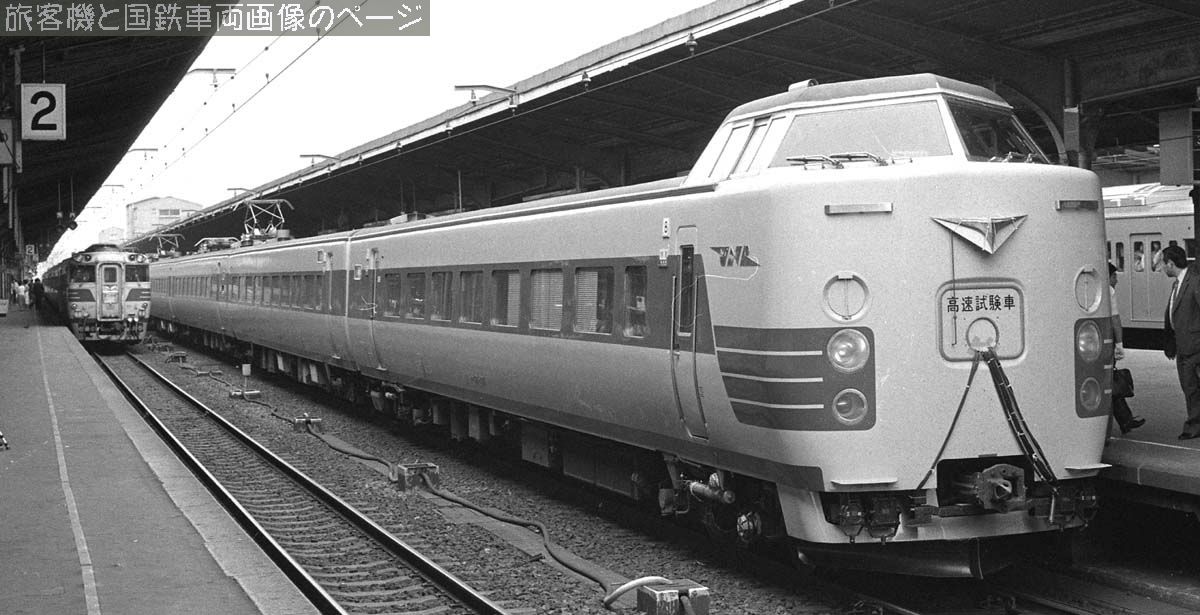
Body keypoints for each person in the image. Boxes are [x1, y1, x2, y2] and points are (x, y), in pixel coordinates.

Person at [1161, 245, 1200, 440]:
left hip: (1195, 345)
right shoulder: (1177, 284)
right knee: (1189, 386)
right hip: (1183, 344)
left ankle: (1193, 425)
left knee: (1192, 387)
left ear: (1171, 263)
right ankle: (1195, 423)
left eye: (1163, 264)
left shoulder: (1194, 282)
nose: (1162, 268)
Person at [1109, 262, 1143, 434]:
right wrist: (1119, 344)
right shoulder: (1109, 291)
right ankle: (1124, 421)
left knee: (1109, 381)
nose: (1116, 280)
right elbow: (1115, 319)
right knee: (1110, 381)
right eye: (1114, 276)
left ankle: (1126, 420)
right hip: (1106, 343)